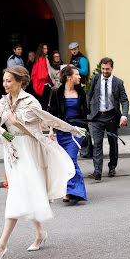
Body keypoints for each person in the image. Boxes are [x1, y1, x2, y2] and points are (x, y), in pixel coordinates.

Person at [0, 66, 85, 259]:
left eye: (9, 81)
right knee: (24, 193)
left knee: (16, 196)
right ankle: (41, 233)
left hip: (29, 151)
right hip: (11, 152)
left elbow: (45, 123)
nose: (5, 84)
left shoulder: (31, 101)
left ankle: (1, 247)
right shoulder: (3, 101)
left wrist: (72, 129)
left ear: (20, 81)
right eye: (4, 80)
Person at [48, 65, 87, 203]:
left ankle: (74, 191)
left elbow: (85, 111)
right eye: (77, 74)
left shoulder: (81, 92)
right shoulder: (57, 93)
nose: (79, 77)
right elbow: (52, 113)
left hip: (78, 131)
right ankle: (68, 191)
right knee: (65, 161)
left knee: (71, 158)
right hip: (62, 131)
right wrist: (51, 130)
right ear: (69, 77)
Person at [87, 57, 129, 181]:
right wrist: (87, 112)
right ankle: (97, 172)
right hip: (97, 117)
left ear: (112, 68)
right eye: (103, 69)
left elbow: (124, 100)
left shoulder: (118, 82)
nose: (105, 71)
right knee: (97, 144)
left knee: (113, 143)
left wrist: (124, 115)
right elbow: (89, 96)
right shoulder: (95, 79)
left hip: (112, 116)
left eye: (107, 69)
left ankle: (112, 167)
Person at [31, 43, 54, 110]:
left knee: (42, 104)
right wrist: (52, 84)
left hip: (41, 85)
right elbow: (44, 74)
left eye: (46, 48)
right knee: (44, 105)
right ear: (41, 50)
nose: (46, 50)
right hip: (43, 85)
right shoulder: (42, 59)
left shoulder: (39, 59)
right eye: (44, 49)